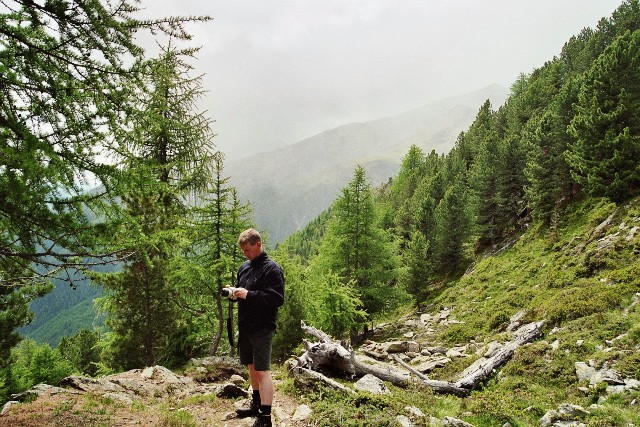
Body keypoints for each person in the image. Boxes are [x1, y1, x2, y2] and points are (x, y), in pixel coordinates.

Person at [230, 228, 285, 427]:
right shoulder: (244, 267)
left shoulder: (272, 269)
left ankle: (266, 417)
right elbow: (243, 290)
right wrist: (234, 293)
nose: (246, 254)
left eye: (248, 250)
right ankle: (255, 403)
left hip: (262, 327)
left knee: (263, 370)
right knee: (252, 367)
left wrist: (248, 295)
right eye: (243, 251)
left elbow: (277, 298)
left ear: (258, 245)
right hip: (245, 326)